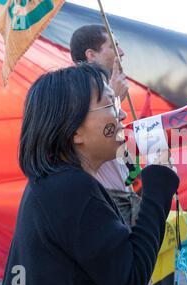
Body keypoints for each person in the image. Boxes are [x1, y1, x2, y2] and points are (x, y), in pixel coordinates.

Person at [0, 63, 179, 285]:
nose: (122, 114)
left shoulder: (52, 181)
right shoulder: (72, 189)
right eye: (110, 105)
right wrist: (159, 183)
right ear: (74, 130)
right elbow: (130, 282)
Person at [70, 24, 141, 227]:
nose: (121, 52)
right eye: (113, 45)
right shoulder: (76, 92)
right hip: (108, 201)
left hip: (122, 197)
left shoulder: (100, 89)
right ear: (91, 55)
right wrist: (116, 99)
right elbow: (94, 136)